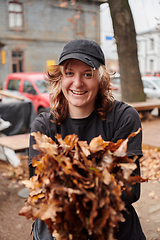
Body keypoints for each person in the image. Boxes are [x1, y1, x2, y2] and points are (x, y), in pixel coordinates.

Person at [29, 39, 146, 240]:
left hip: (114, 230)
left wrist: (70, 182)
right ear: (59, 78)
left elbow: (130, 190)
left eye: (87, 74)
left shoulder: (123, 118)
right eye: (69, 73)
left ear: (100, 79)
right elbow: (40, 189)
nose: (77, 83)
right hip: (61, 229)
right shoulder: (44, 126)